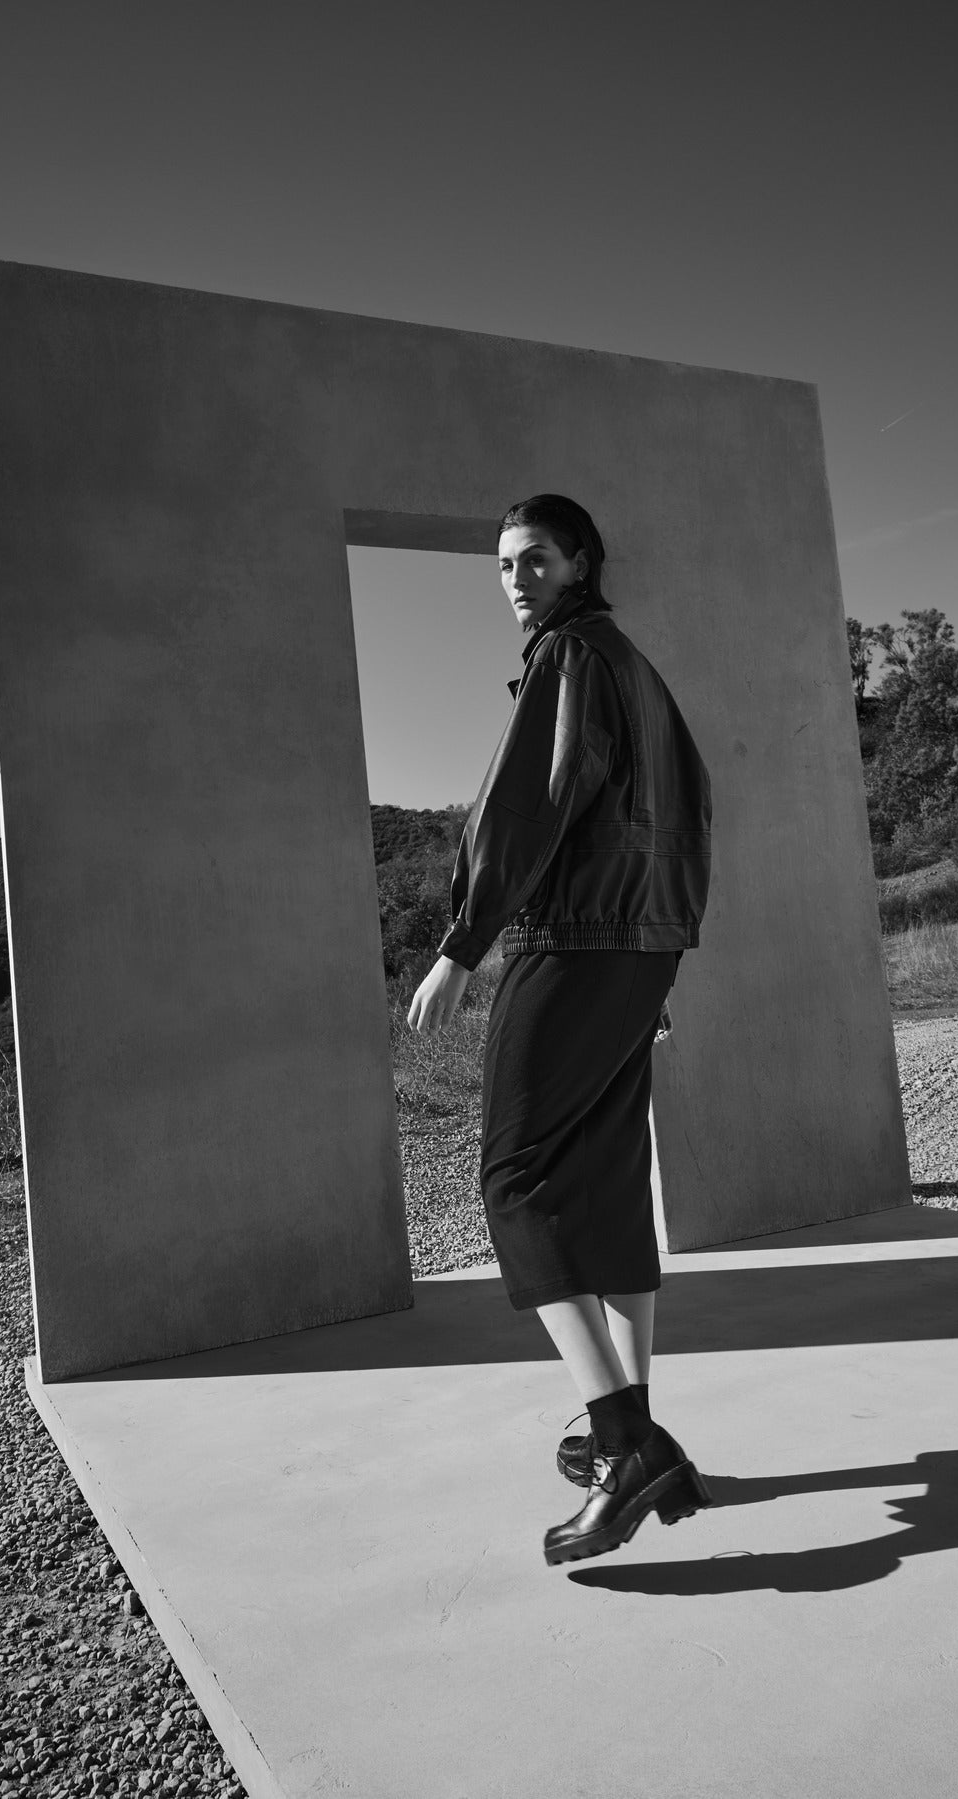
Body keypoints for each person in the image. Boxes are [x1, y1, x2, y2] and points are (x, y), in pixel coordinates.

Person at [407, 493, 714, 1567]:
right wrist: (652, 967)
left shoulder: (569, 657)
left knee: (516, 1174)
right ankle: (630, 1427)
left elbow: (529, 811)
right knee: (606, 1173)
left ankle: (626, 1442)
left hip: (577, 940)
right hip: (639, 944)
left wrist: (463, 942)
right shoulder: (634, 665)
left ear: (582, 559)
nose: (517, 578)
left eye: (535, 557)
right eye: (502, 565)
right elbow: (681, 816)